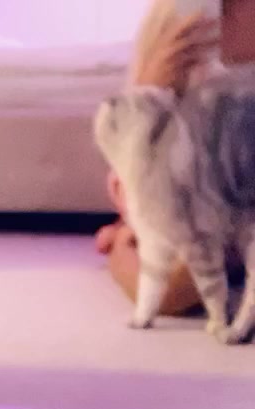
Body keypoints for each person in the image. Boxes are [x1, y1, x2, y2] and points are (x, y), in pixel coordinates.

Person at [96, 0, 255, 316]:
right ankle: (123, 241)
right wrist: (153, 82)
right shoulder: (184, 15)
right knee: (174, 288)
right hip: (184, 184)